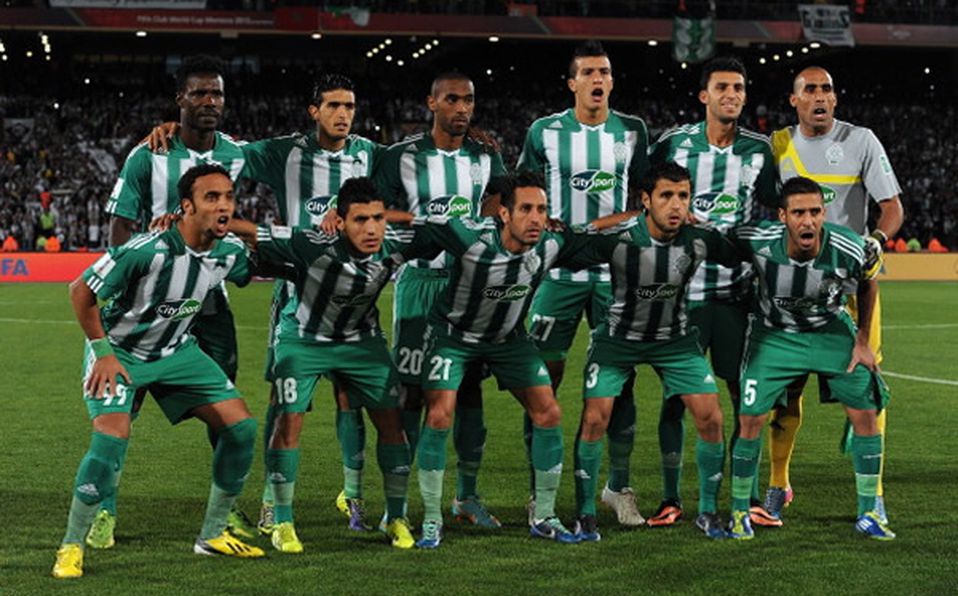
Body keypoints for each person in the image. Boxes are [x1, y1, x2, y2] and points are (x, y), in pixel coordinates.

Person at [52, 164, 261, 580]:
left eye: (228, 197)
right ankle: (71, 545)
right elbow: (80, 290)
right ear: (187, 206)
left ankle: (213, 534)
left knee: (241, 428)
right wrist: (102, 353)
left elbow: (252, 267)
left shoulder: (229, 252)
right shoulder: (147, 250)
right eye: (211, 198)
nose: (224, 206)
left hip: (177, 352)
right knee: (110, 441)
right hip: (120, 353)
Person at [391, 170, 606, 548]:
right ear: (503, 213)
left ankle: (544, 515)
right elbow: (413, 223)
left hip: (508, 340)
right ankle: (431, 518)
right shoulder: (468, 236)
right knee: (439, 414)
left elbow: (607, 237)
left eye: (541, 209)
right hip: (453, 337)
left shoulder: (551, 243)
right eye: (526, 209)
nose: (536, 218)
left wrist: (652, 217)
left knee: (548, 411)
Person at [94, 54, 256, 548]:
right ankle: (103, 510)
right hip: (151, 301)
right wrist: (126, 286)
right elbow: (121, 224)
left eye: (217, 93)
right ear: (179, 99)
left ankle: (224, 510)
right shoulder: (149, 154)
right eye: (199, 93)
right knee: (123, 408)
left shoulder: (239, 153)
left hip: (209, 300)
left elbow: (305, 153)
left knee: (225, 408)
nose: (210, 101)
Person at [228, 177, 419, 553]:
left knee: (392, 423)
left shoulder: (395, 244)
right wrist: (193, 219)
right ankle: (282, 521)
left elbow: (434, 224)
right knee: (288, 421)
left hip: (360, 341)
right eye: (360, 220)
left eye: (378, 219)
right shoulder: (311, 243)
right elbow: (250, 231)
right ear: (340, 222)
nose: (371, 229)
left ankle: (396, 516)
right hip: (304, 340)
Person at [762, 66, 904, 525]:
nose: (820, 96)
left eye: (827, 89)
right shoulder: (777, 146)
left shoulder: (861, 140)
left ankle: (873, 496)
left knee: (866, 387)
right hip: (795, 289)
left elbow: (892, 207)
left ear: (835, 99)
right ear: (794, 100)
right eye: (810, 90)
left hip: (853, 286)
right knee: (787, 392)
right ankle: (778, 484)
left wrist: (877, 240)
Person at [517, 40, 650, 527]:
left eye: (605, 72)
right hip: (557, 275)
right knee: (541, 382)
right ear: (572, 82)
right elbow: (522, 192)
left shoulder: (632, 130)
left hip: (615, 276)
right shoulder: (544, 131)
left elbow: (644, 199)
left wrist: (604, 229)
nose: (598, 79)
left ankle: (618, 488)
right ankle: (540, 491)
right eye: (589, 72)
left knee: (620, 383)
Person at [647, 55, 778, 527]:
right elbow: (644, 196)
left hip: (734, 296)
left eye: (738, 88)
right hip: (681, 297)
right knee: (674, 400)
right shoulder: (675, 143)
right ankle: (670, 498)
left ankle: (748, 496)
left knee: (746, 399)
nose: (732, 95)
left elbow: (775, 208)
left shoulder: (759, 149)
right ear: (704, 95)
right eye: (722, 87)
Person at [569, 162, 732, 541]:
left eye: (683, 196)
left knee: (711, 416)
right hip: (617, 340)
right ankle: (585, 514)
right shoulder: (620, 239)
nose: (676, 205)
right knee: (595, 418)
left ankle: (708, 511)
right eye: (666, 196)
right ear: (645, 200)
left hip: (674, 340)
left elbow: (745, 250)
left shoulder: (699, 238)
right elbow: (567, 247)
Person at [725, 176, 893, 541]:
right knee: (750, 418)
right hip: (775, 335)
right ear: (782, 216)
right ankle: (739, 512)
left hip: (829, 331)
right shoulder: (757, 239)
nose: (808, 221)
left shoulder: (850, 247)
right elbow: (718, 243)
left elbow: (868, 283)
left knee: (865, 412)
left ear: (823, 213)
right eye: (799, 213)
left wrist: (863, 340)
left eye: (815, 212)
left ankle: (870, 511)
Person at [373, 72, 507, 529]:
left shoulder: (486, 154)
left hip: (468, 284)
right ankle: (396, 508)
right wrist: (424, 224)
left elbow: (500, 200)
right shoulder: (400, 156)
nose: (462, 108)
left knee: (469, 391)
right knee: (411, 394)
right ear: (431, 103)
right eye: (452, 99)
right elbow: (374, 210)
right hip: (420, 282)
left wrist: (472, 229)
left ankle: (466, 497)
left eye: (468, 100)